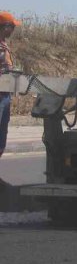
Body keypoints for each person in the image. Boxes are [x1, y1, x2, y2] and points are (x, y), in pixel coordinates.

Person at [0, 11, 20, 160]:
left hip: (4, 95)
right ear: (4, 26)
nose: (13, 30)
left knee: (2, 136)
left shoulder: (4, 45)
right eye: (12, 26)